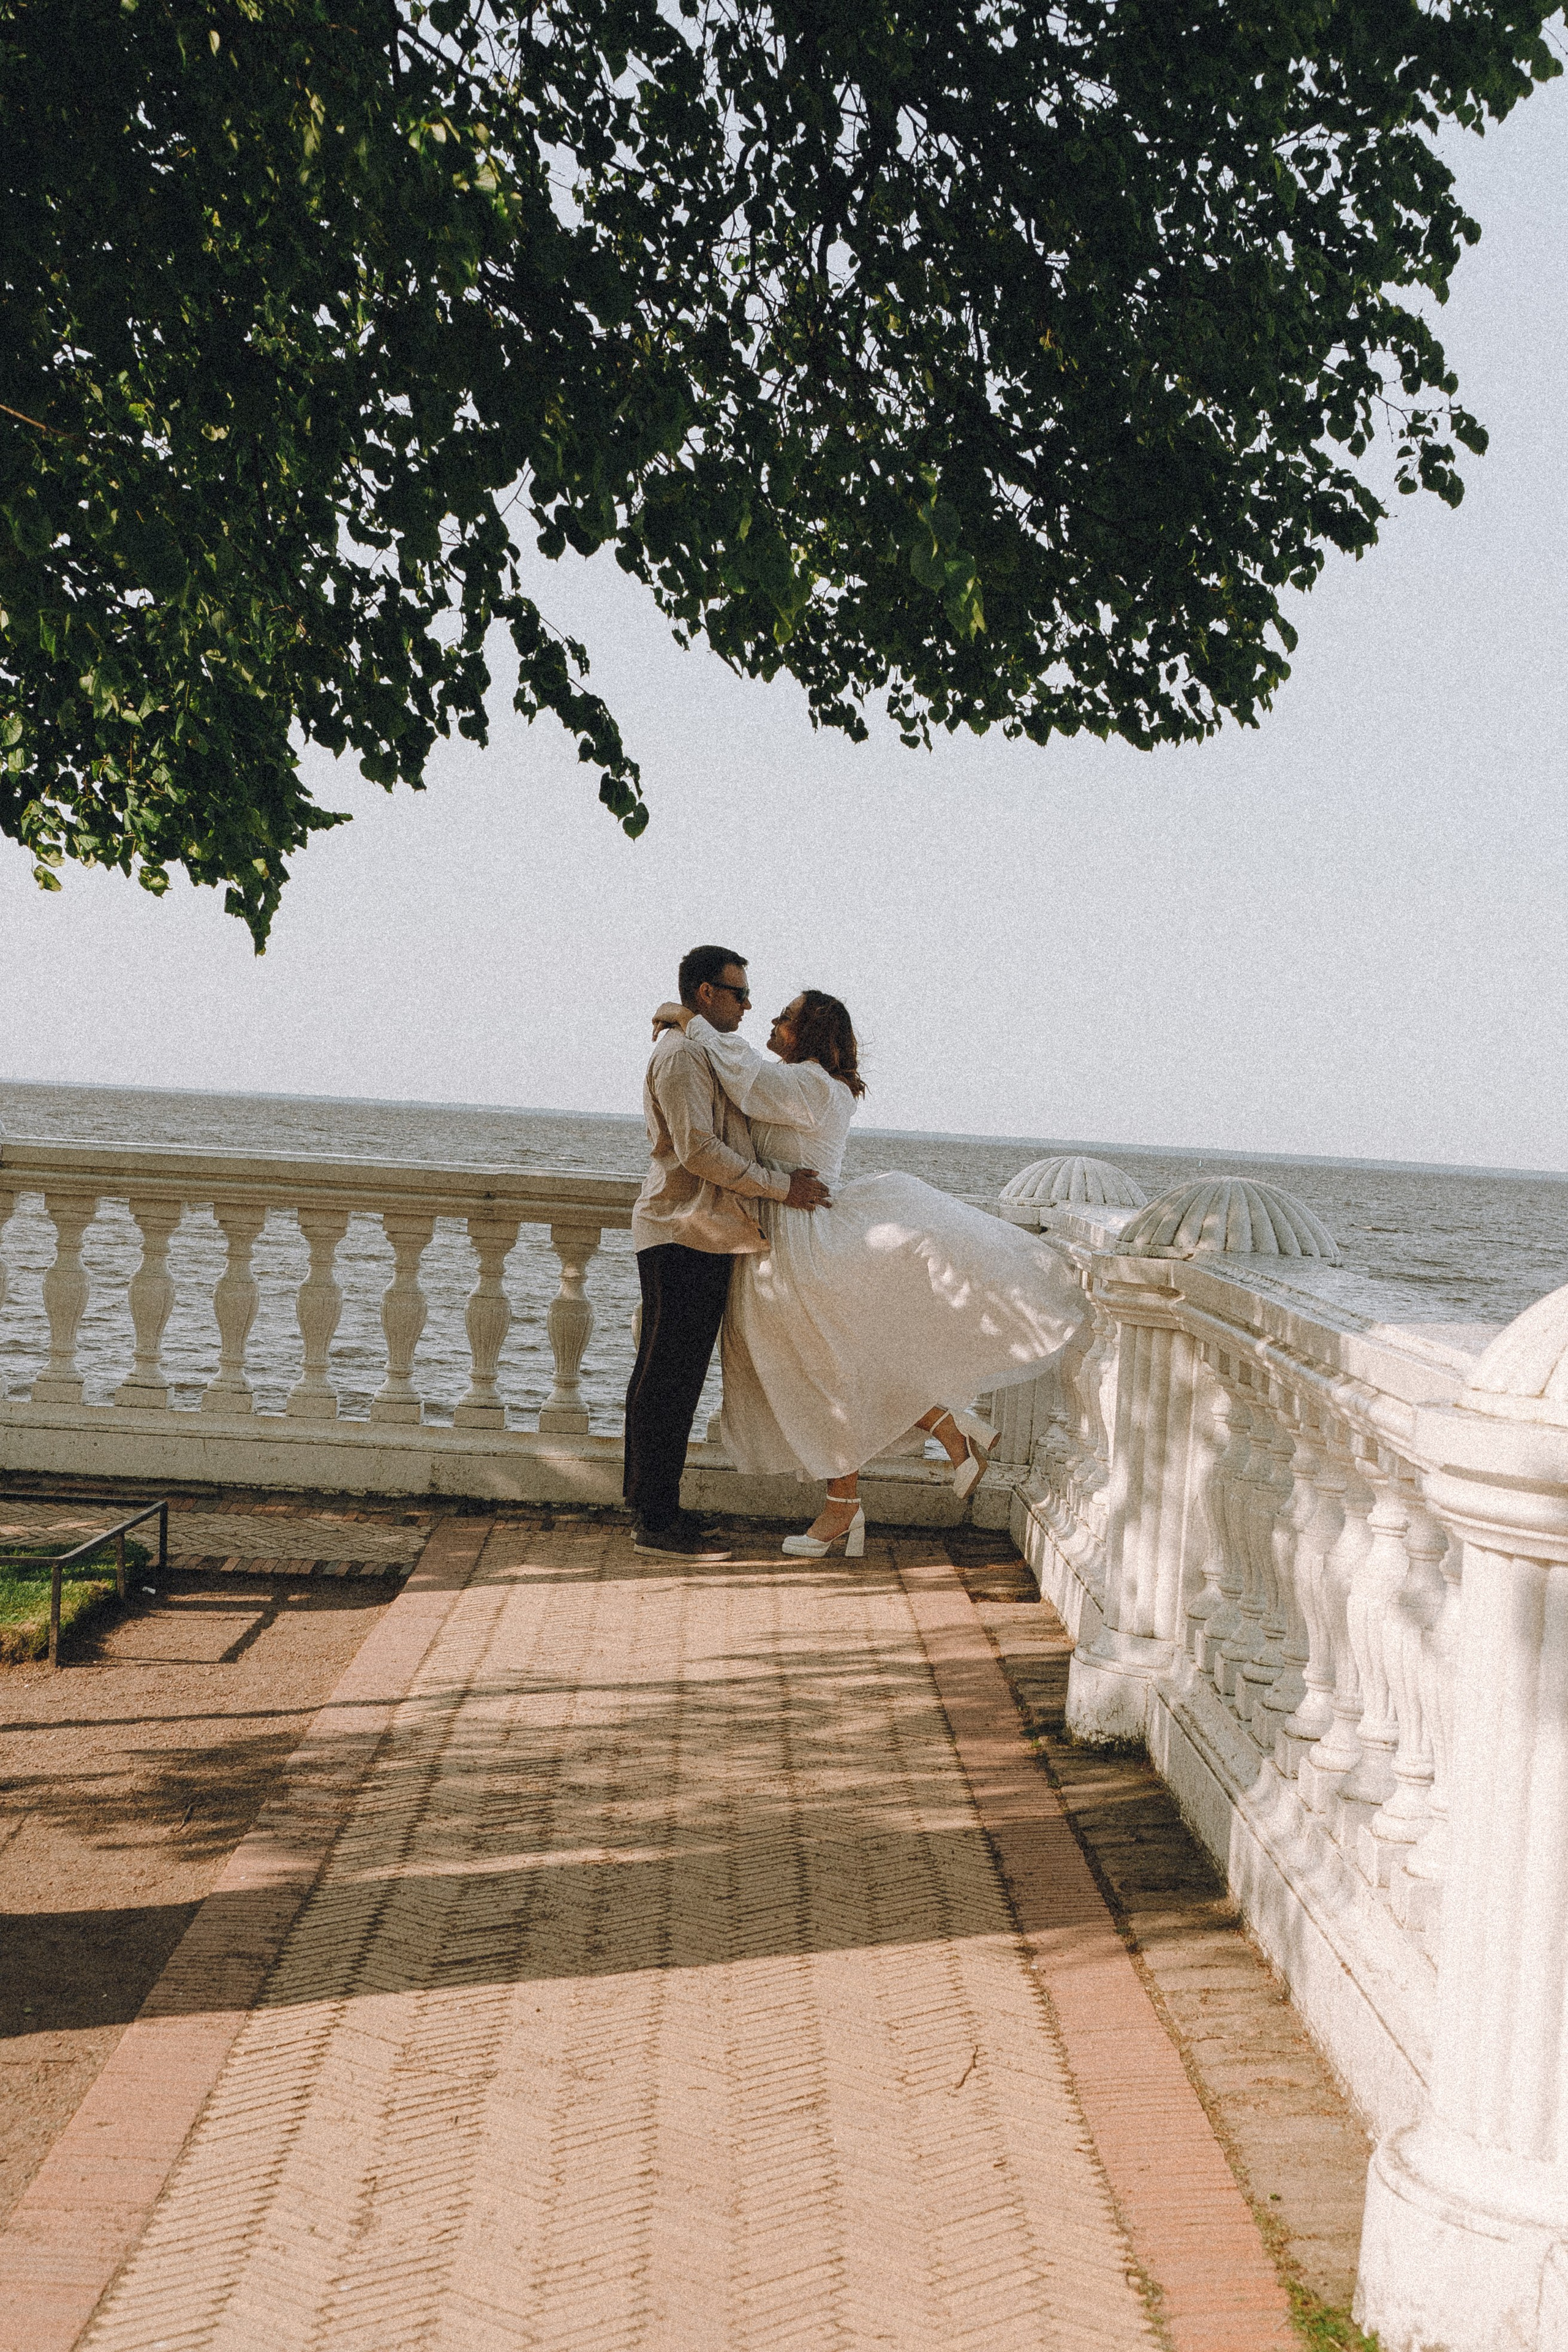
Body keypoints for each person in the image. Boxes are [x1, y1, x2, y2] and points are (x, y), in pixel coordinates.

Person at [653, 988, 1087, 1557]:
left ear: (806, 1035)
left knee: (822, 1372)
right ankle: (927, 1442)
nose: (774, 1021)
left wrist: (689, 1020)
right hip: (782, 1236)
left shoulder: (810, 1083)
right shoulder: (810, 1083)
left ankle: (853, 1500)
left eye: (786, 1018)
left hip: (798, 1241)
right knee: (826, 1368)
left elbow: (746, 1076)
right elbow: (747, 1078)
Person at [624, 945, 831, 1561]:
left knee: (670, 1377)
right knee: (668, 1379)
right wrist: (782, 1188)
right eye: (738, 993)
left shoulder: (696, 1045)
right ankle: (654, 1521)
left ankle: (655, 1509)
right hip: (683, 1229)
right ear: (705, 994)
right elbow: (698, 1152)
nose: (748, 1004)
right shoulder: (685, 1052)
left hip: (698, 1230)